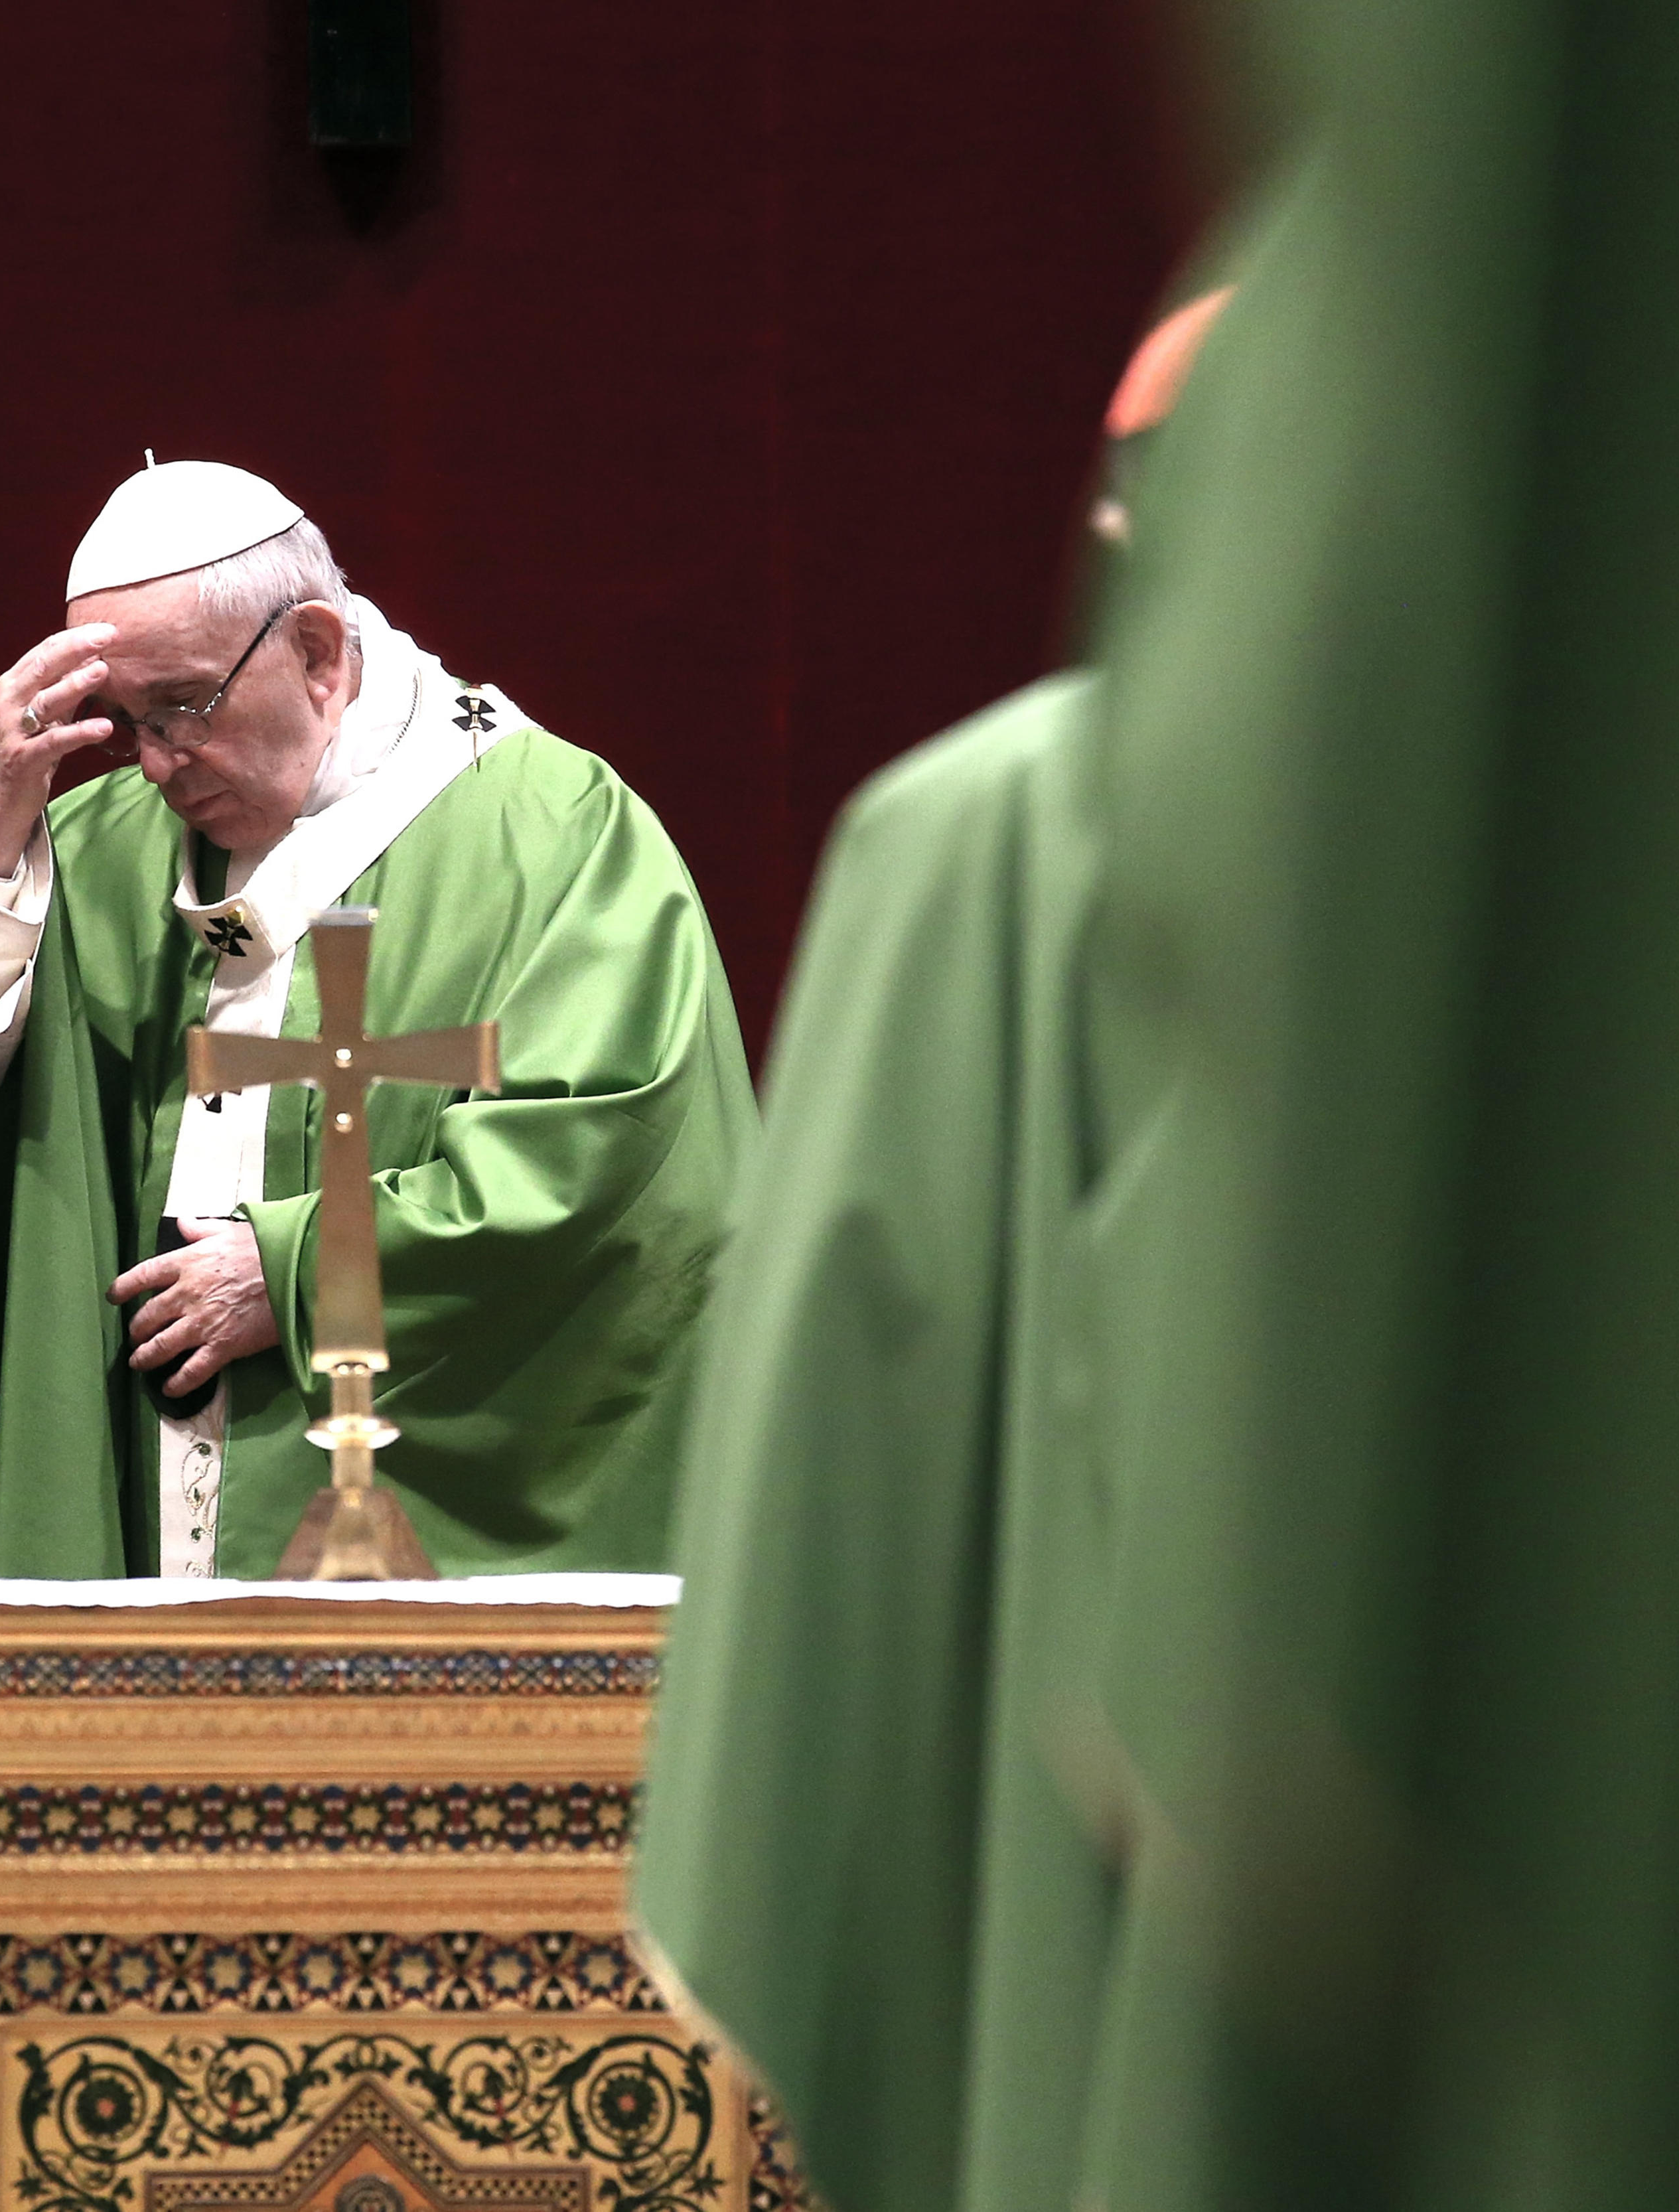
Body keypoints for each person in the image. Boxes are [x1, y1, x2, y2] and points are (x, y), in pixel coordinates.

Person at [633, 294, 1224, 2212]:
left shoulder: (959, 835)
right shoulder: (1662, 825)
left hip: (1069, 1840)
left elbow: (824, 1416)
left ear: (1118, 515)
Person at [0, 461, 753, 1578]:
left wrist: (298, 1269)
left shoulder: (554, 833)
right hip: (149, 1520)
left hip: (428, 1531)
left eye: (183, 707)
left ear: (319, 654)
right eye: (125, 721)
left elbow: (606, 1151)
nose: (156, 762)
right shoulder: (97, 850)